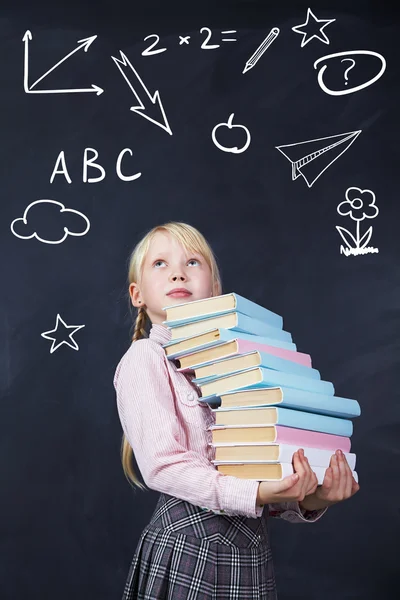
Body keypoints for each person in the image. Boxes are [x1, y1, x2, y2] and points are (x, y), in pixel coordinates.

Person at [113, 221, 360, 600]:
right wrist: (258, 494)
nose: (178, 271)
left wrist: (313, 497)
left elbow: (265, 477)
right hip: (188, 551)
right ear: (137, 294)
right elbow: (164, 466)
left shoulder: (239, 366)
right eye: (160, 264)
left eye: (193, 262)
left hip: (249, 556)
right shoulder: (145, 359)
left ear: (214, 290)